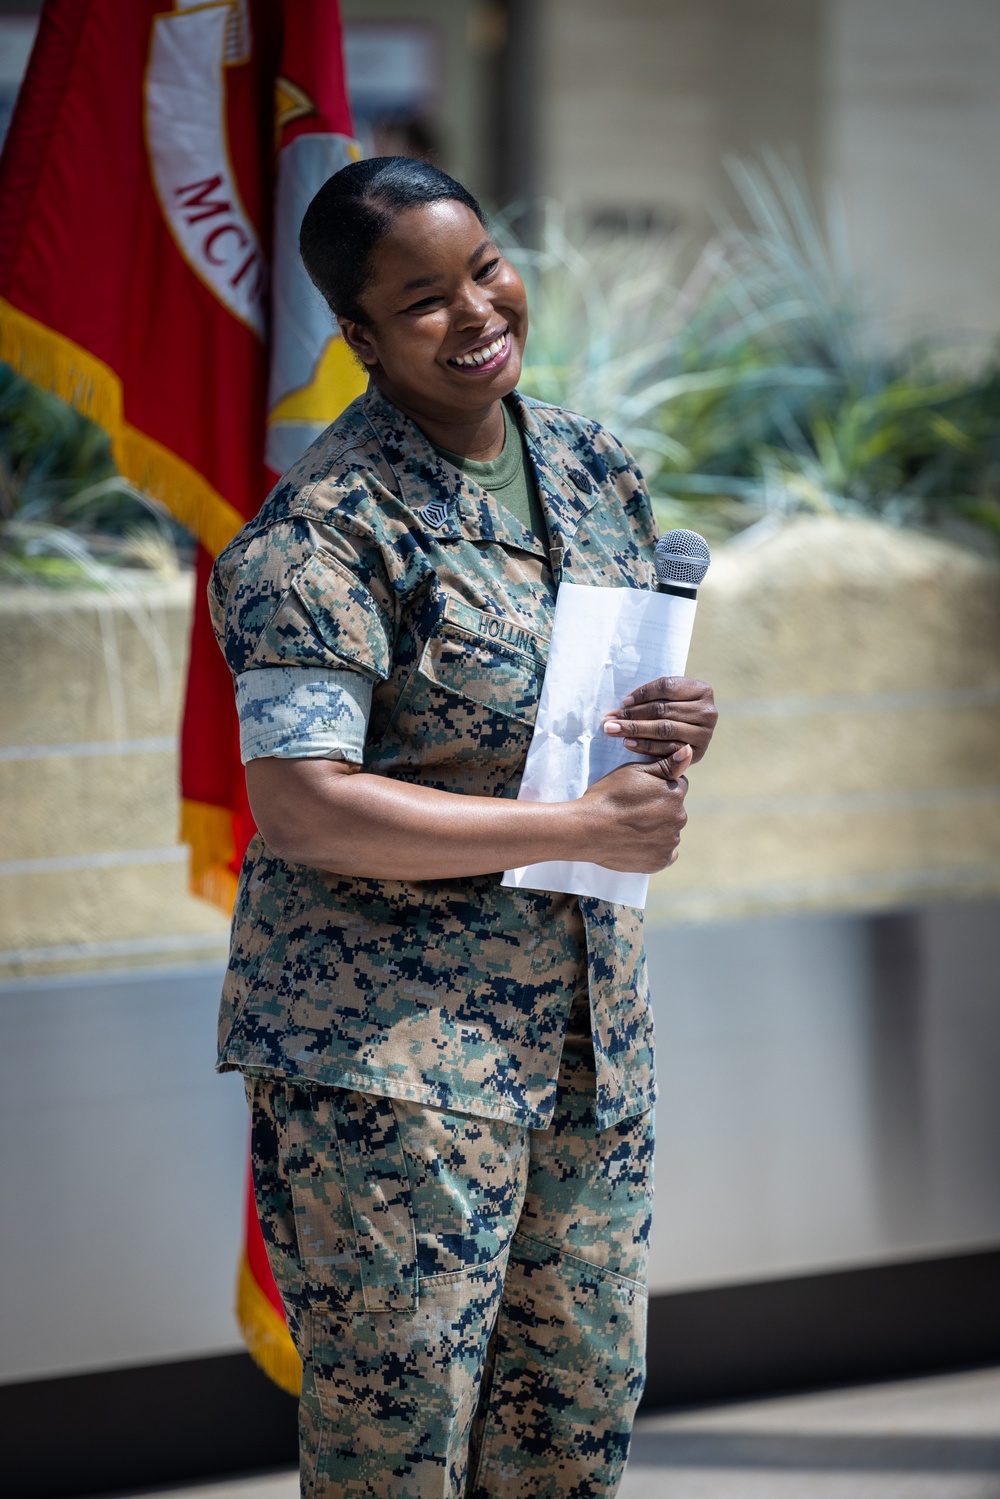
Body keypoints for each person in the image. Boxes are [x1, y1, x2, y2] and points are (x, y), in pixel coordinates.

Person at [210, 157, 717, 1499]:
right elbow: (301, 804)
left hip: (583, 1043)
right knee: (401, 1455)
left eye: (484, 266)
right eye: (423, 299)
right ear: (360, 340)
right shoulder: (322, 535)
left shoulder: (589, 466)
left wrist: (657, 744)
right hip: (397, 1067)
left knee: (570, 1431)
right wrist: (576, 820)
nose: (476, 308)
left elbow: (576, 723)